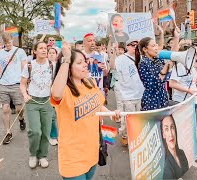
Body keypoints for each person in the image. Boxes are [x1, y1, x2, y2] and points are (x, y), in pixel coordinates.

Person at [51, 42, 121, 179]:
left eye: (84, 61)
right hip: (73, 158)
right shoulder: (64, 90)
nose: (85, 64)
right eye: (79, 62)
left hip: (92, 151)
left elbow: (98, 106)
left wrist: (111, 114)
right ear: (68, 68)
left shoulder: (90, 82)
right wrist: (65, 59)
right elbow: (56, 94)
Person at [169, 50, 197, 164]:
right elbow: (172, 84)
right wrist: (189, 90)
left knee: (192, 130)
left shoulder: (193, 69)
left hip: (191, 102)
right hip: (180, 103)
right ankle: (175, 155)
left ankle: (195, 154)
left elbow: (192, 84)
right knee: (179, 131)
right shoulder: (180, 66)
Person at [20, 41, 54, 168]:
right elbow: (23, 84)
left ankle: (43, 155)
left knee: (46, 131)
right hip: (32, 101)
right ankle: (33, 154)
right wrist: (25, 95)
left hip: (47, 102)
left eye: (45, 48)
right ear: (35, 51)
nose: (44, 50)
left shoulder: (52, 65)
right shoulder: (29, 65)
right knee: (35, 131)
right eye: (41, 48)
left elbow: (56, 82)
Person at [0, 32, 27, 144]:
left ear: (12, 40)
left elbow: (24, 66)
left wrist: (25, 82)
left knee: (19, 109)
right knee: (5, 109)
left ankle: (21, 119)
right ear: (3, 42)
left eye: (9, 42)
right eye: (6, 43)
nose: (8, 44)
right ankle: (8, 133)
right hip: (3, 84)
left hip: (17, 84)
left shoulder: (20, 51)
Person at [114, 39, 145, 146]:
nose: (135, 47)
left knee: (139, 119)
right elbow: (113, 67)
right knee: (129, 118)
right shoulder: (121, 59)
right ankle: (125, 135)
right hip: (128, 95)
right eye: (132, 45)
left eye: (137, 45)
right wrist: (112, 51)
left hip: (140, 93)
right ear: (127, 46)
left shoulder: (141, 57)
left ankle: (137, 137)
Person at [135, 36, 172, 111]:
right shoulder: (143, 64)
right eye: (153, 46)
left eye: (156, 45)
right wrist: (164, 70)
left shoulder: (159, 60)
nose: (156, 48)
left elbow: (166, 78)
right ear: (145, 49)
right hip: (152, 101)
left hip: (163, 97)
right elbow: (152, 85)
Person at [161, 115, 189, 179]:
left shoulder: (182, 153)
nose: (171, 134)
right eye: (166, 129)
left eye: (172, 127)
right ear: (163, 134)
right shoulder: (167, 167)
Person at [48, 47, 59, 146]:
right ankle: (53, 136)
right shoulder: (44, 65)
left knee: (58, 115)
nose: (51, 54)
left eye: (53, 53)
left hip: (58, 93)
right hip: (47, 94)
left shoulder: (59, 65)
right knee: (51, 116)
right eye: (49, 53)